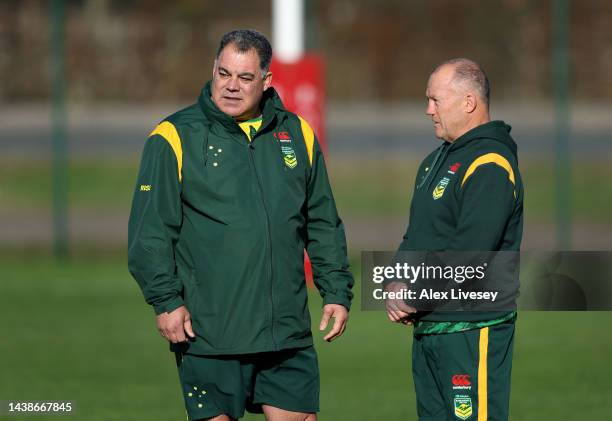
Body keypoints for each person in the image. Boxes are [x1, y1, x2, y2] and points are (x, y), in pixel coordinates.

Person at [128, 29, 353, 421]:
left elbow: (321, 221)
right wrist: (166, 301)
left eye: (245, 78)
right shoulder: (173, 137)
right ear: (213, 70)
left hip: (286, 333)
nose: (231, 86)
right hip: (211, 334)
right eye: (223, 74)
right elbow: (150, 233)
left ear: (266, 81)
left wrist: (336, 289)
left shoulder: (296, 133)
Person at [386, 58, 523, 420]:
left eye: (435, 100)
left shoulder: (490, 163)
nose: (428, 110)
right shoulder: (434, 161)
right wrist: (395, 282)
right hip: (429, 326)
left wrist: (414, 294)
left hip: (470, 330)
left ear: (468, 102)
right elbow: (415, 236)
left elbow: (471, 252)